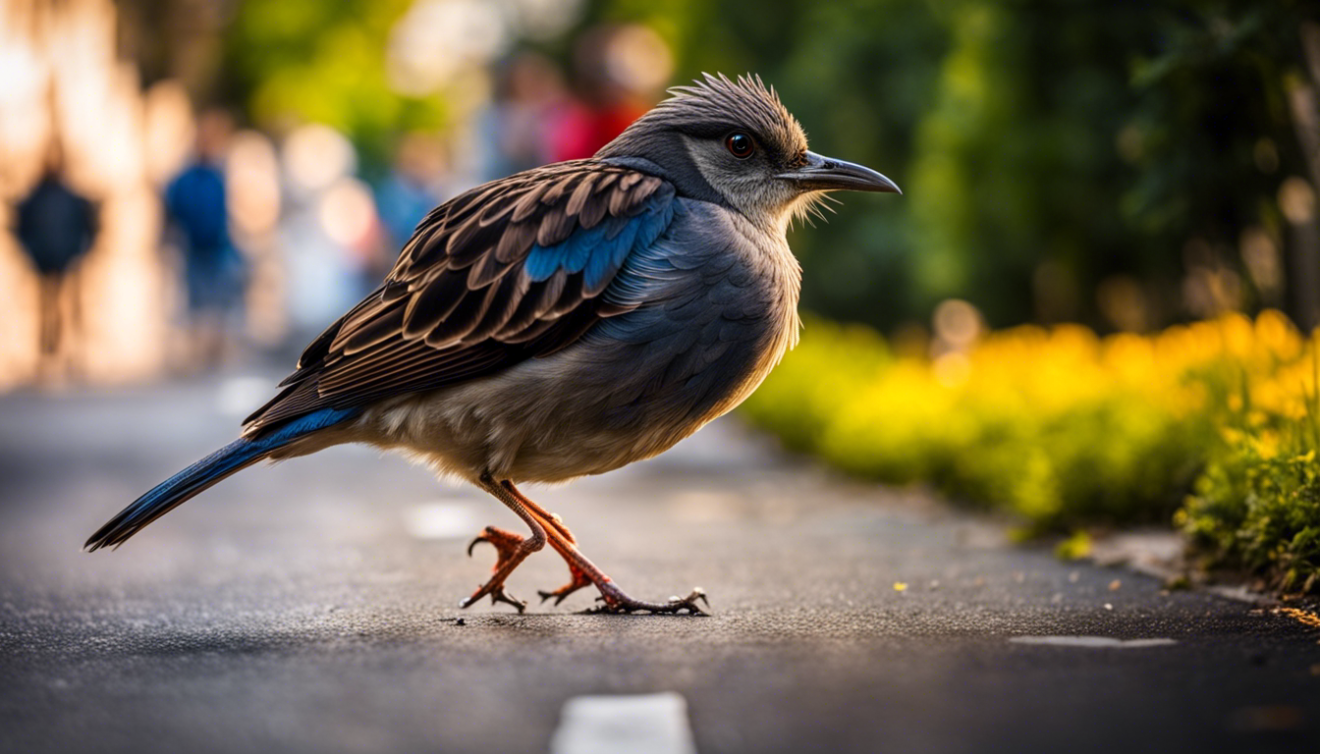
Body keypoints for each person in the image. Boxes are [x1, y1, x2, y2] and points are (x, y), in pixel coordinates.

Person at [164, 109, 247, 369]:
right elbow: (172, 209)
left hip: (217, 246)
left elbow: (227, 211)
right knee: (196, 302)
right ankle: (198, 352)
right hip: (193, 247)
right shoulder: (186, 178)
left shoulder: (218, 175)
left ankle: (215, 350)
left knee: (219, 301)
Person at [14, 141, 97, 380]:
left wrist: (79, 250)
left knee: (70, 308)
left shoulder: (71, 196)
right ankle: (46, 355)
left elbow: (90, 225)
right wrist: (32, 251)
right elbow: (20, 227)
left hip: (67, 261)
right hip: (43, 261)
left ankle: (71, 353)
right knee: (45, 309)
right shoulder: (35, 196)